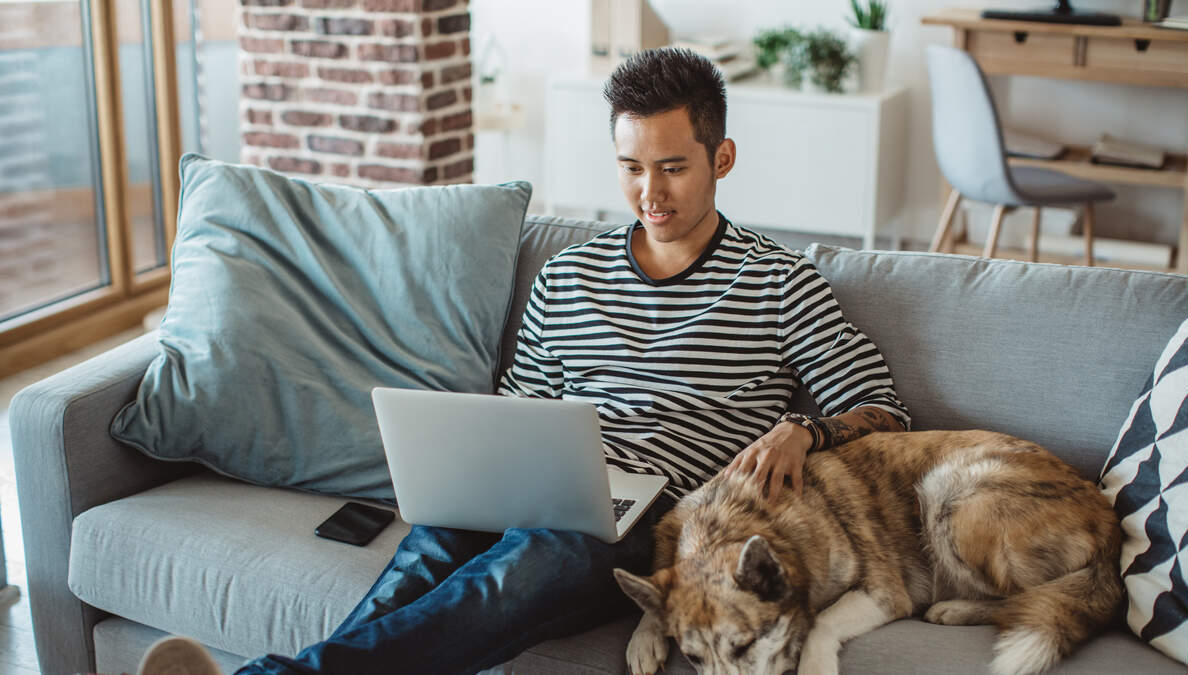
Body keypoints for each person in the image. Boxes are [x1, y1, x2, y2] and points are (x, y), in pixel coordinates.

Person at [138, 47, 909, 675]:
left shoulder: (779, 282)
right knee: (424, 558)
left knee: (513, 572)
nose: (650, 192)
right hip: (544, 484)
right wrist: (482, 462)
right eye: (631, 166)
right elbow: (518, 408)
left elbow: (887, 409)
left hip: (660, 520)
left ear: (722, 157)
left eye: (673, 167)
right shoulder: (569, 276)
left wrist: (803, 430)